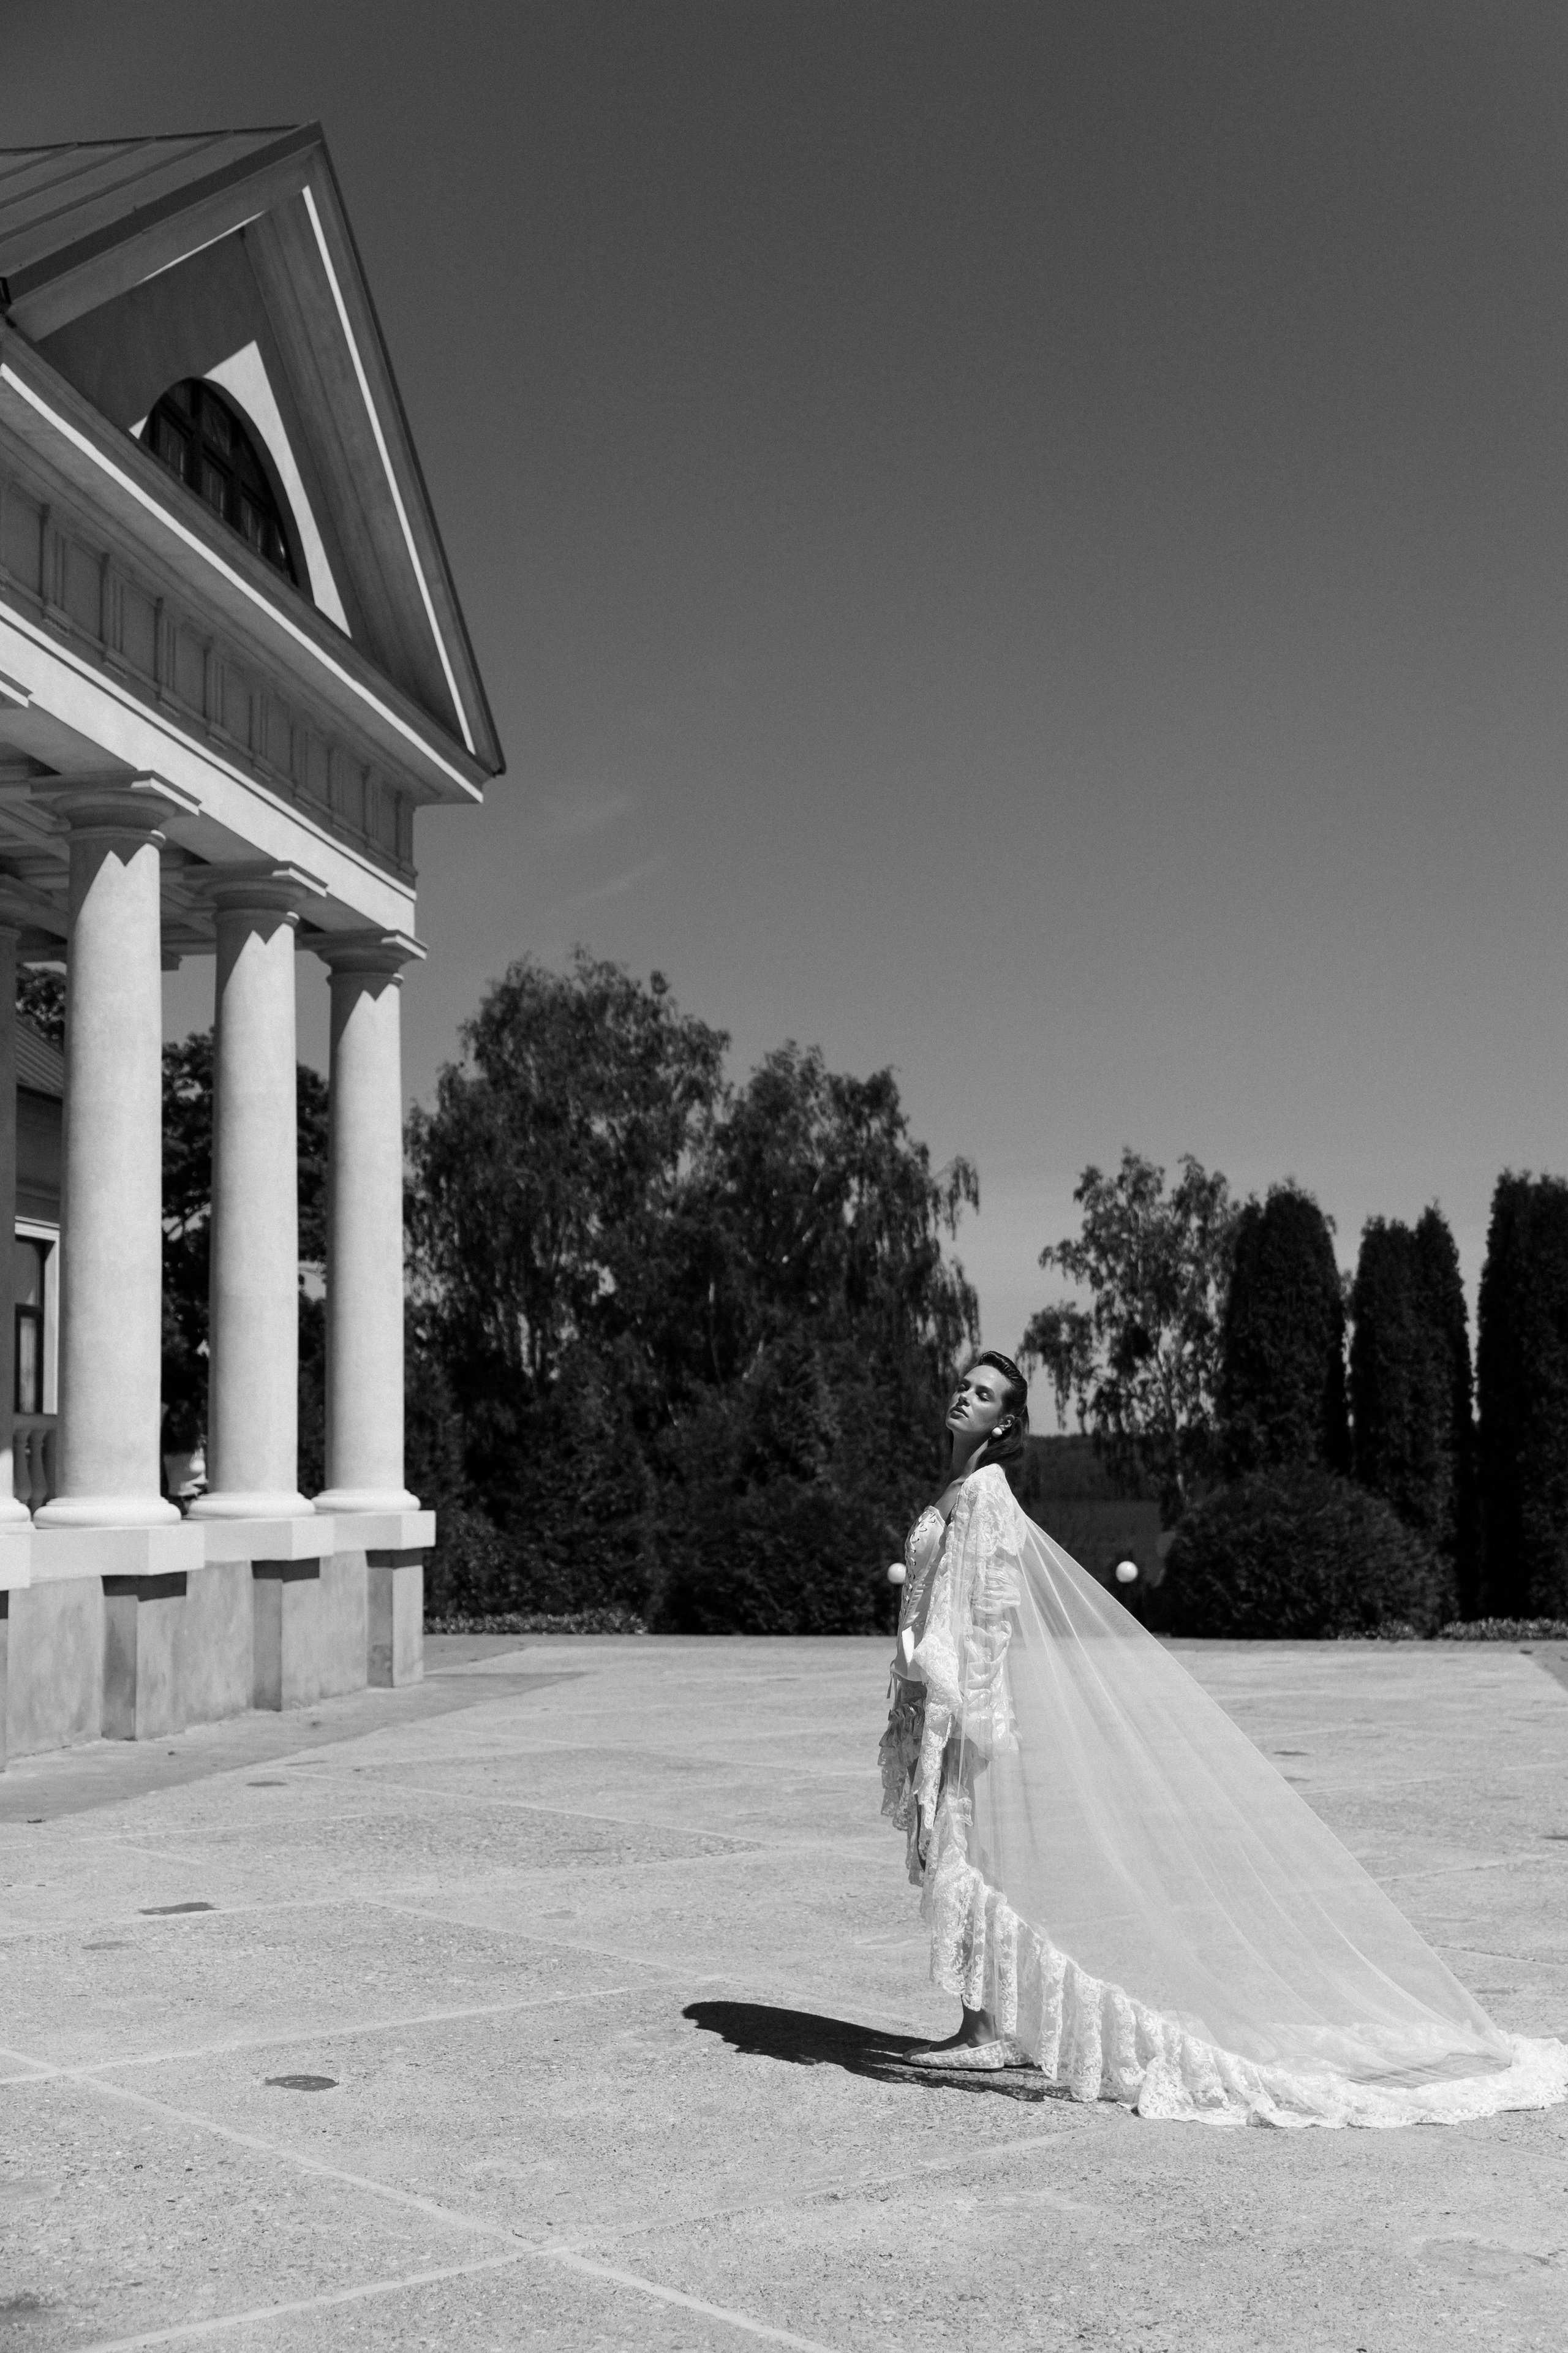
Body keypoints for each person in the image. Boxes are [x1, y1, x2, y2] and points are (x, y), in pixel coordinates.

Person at [878, 1351, 1568, 2128]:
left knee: (967, 1853)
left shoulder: (986, 1491)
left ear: (1005, 1419)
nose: (962, 1398)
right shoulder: (959, 1487)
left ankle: (985, 2028)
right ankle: (985, 2023)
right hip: (934, 1694)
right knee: (959, 1853)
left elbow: (989, 1602)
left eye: (982, 1393)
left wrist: (944, 1689)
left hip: (959, 1699)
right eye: (962, 1387)